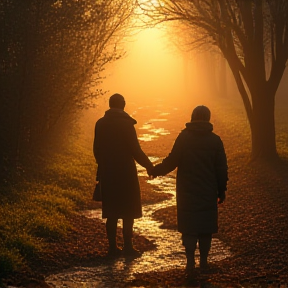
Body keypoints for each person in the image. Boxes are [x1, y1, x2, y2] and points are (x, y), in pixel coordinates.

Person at [150, 105, 228, 274]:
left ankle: (190, 261)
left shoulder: (184, 138)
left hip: (186, 192)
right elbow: (222, 169)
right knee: (205, 228)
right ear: (208, 118)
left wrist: (155, 171)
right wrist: (222, 191)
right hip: (208, 190)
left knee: (189, 228)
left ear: (192, 117)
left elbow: (172, 161)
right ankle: (204, 262)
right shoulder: (215, 140)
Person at [93, 93, 153, 257]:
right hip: (126, 172)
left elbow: (96, 149)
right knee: (128, 211)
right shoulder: (127, 125)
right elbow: (136, 151)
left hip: (108, 172)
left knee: (111, 211)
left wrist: (104, 164)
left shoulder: (100, 123)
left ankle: (112, 248)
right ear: (123, 105)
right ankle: (128, 247)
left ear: (110, 104)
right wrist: (149, 166)